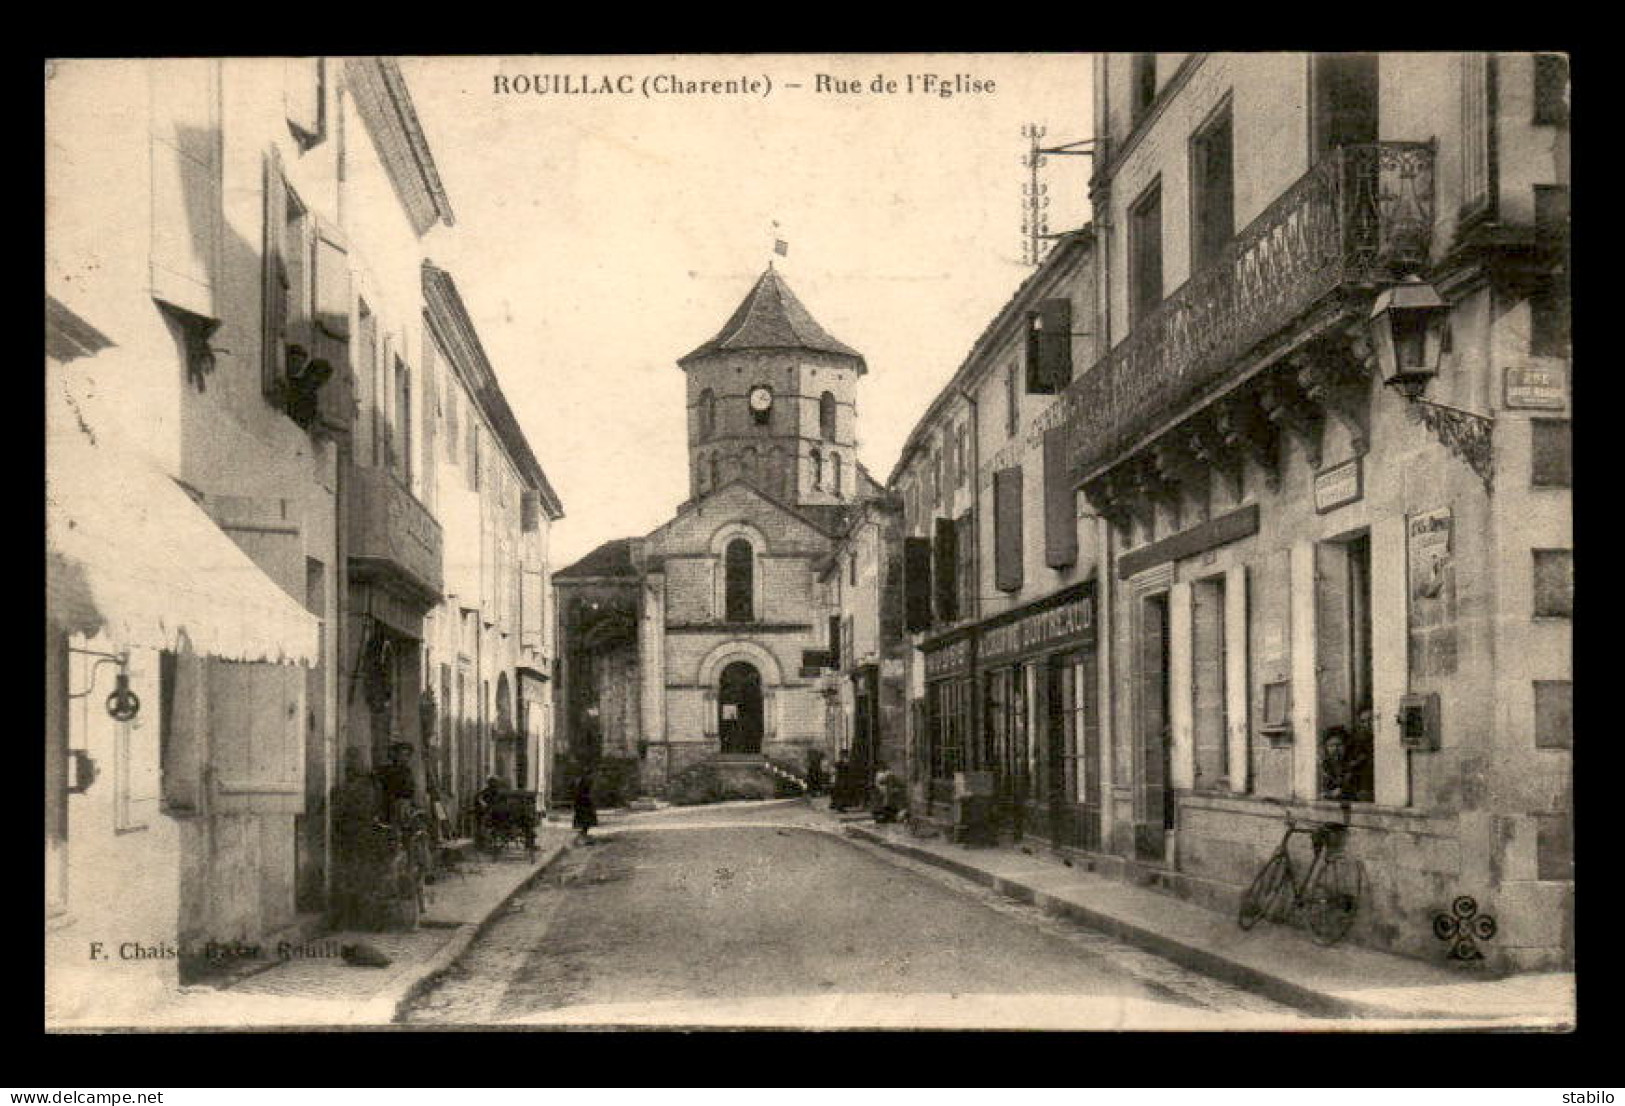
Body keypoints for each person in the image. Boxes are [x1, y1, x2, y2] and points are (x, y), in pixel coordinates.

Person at [572, 769, 599, 845]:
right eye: (592, 774)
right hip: (584, 802)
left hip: (581, 802)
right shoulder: (586, 781)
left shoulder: (581, 780)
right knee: (586, 820)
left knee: (585, 820)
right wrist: (588, 798)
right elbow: (583, 792)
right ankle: (582, 836)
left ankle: (583, 835)